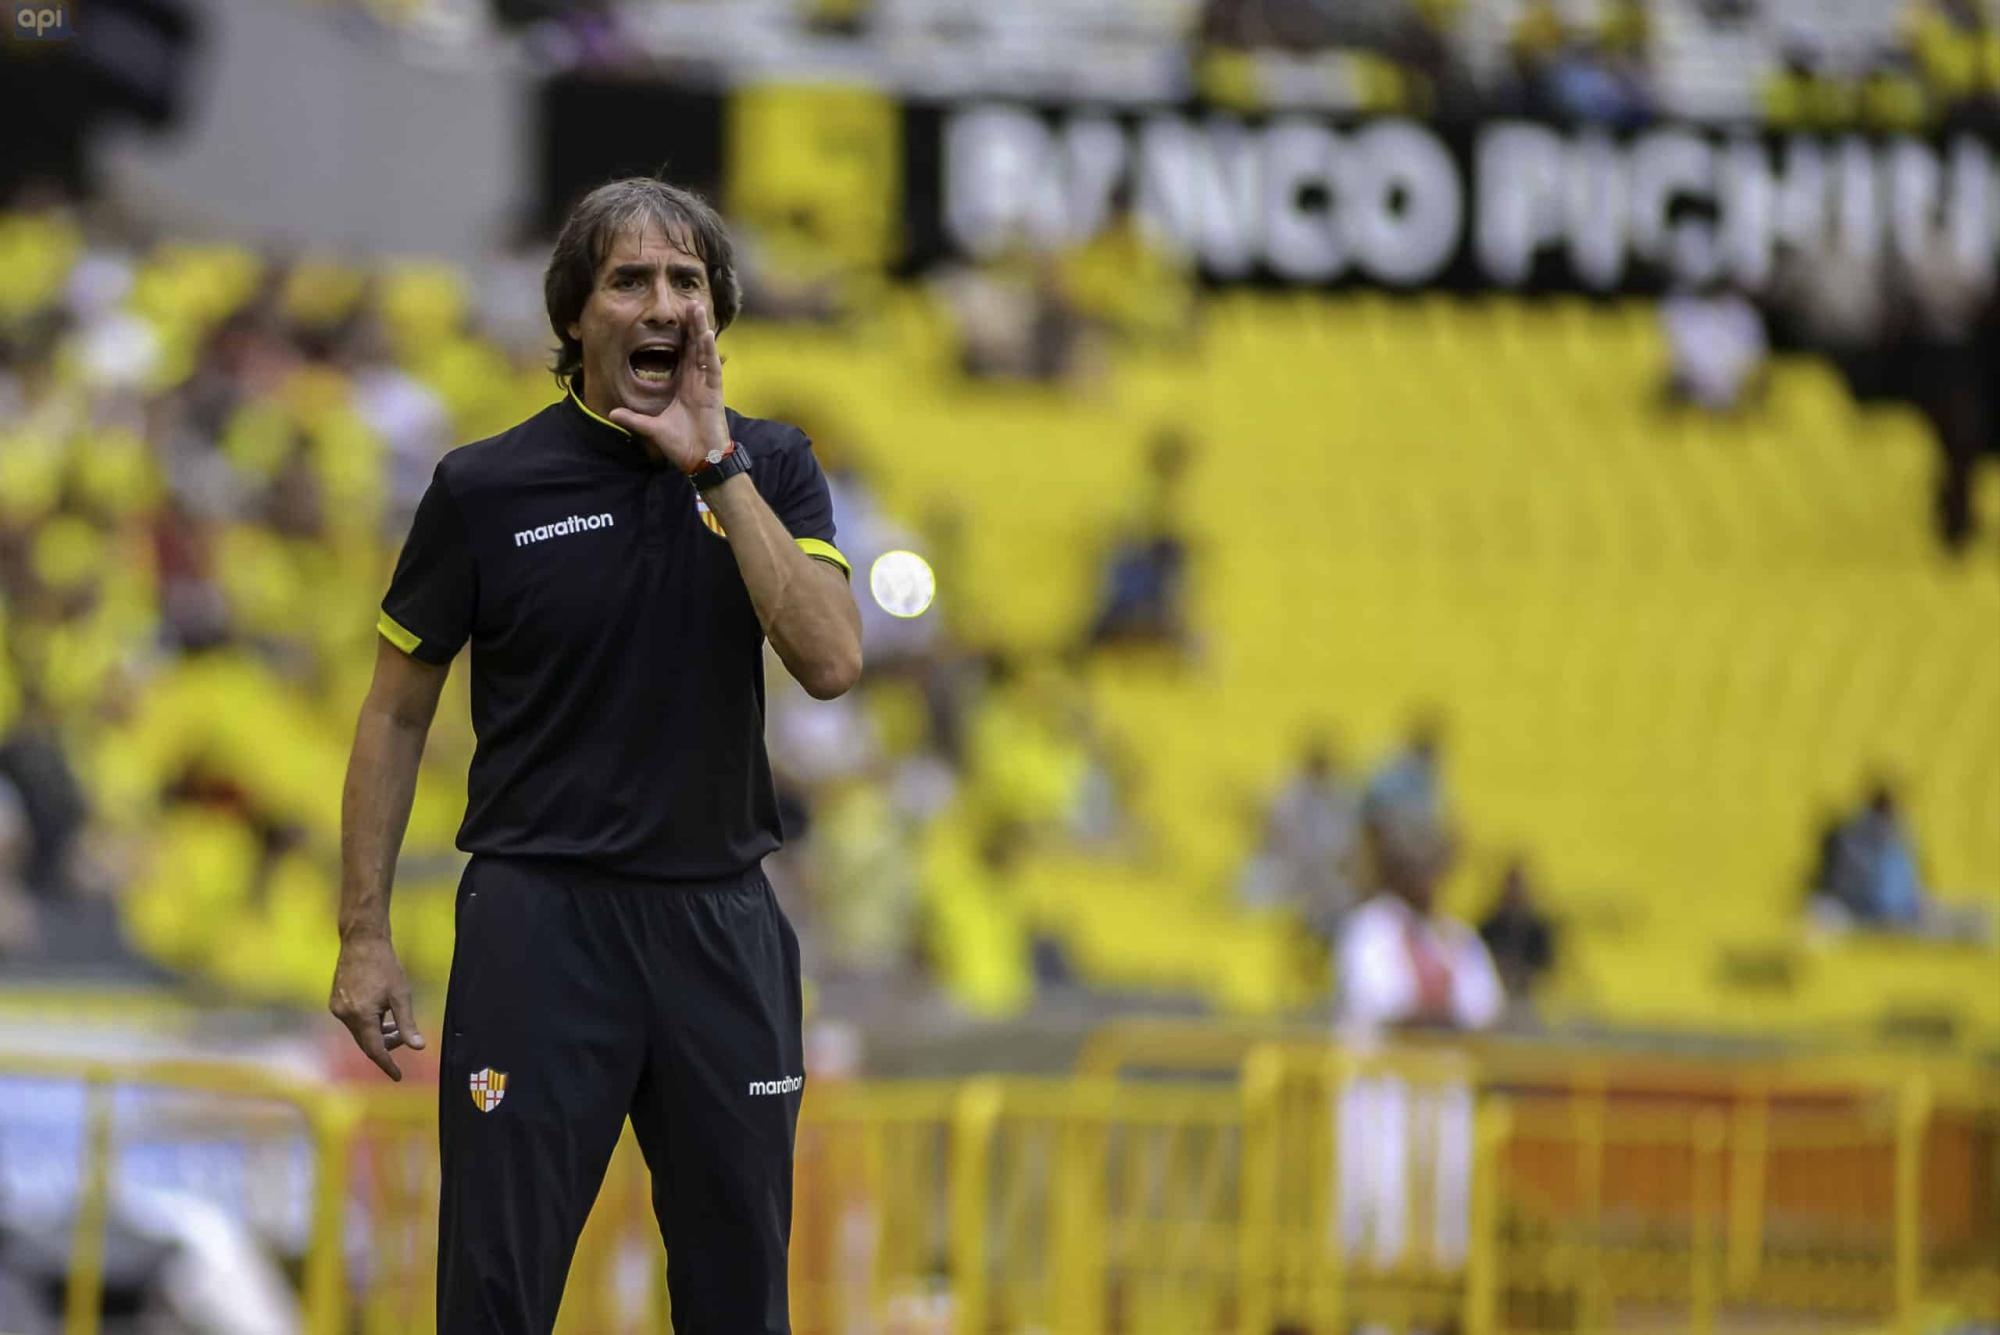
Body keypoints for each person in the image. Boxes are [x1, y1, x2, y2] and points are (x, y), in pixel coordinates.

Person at [327, 177, 862, 1333]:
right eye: (629, 280)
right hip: (540, 928)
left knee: (738, 1299)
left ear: (714, 315)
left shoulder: (771, 465)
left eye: (685, 282)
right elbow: (394, 715)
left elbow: (828, 660)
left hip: (720, 927)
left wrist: (714, 468)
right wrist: (363, 935)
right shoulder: (483, 487)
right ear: (576, 315)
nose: (661, 302)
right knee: (495, 1294)